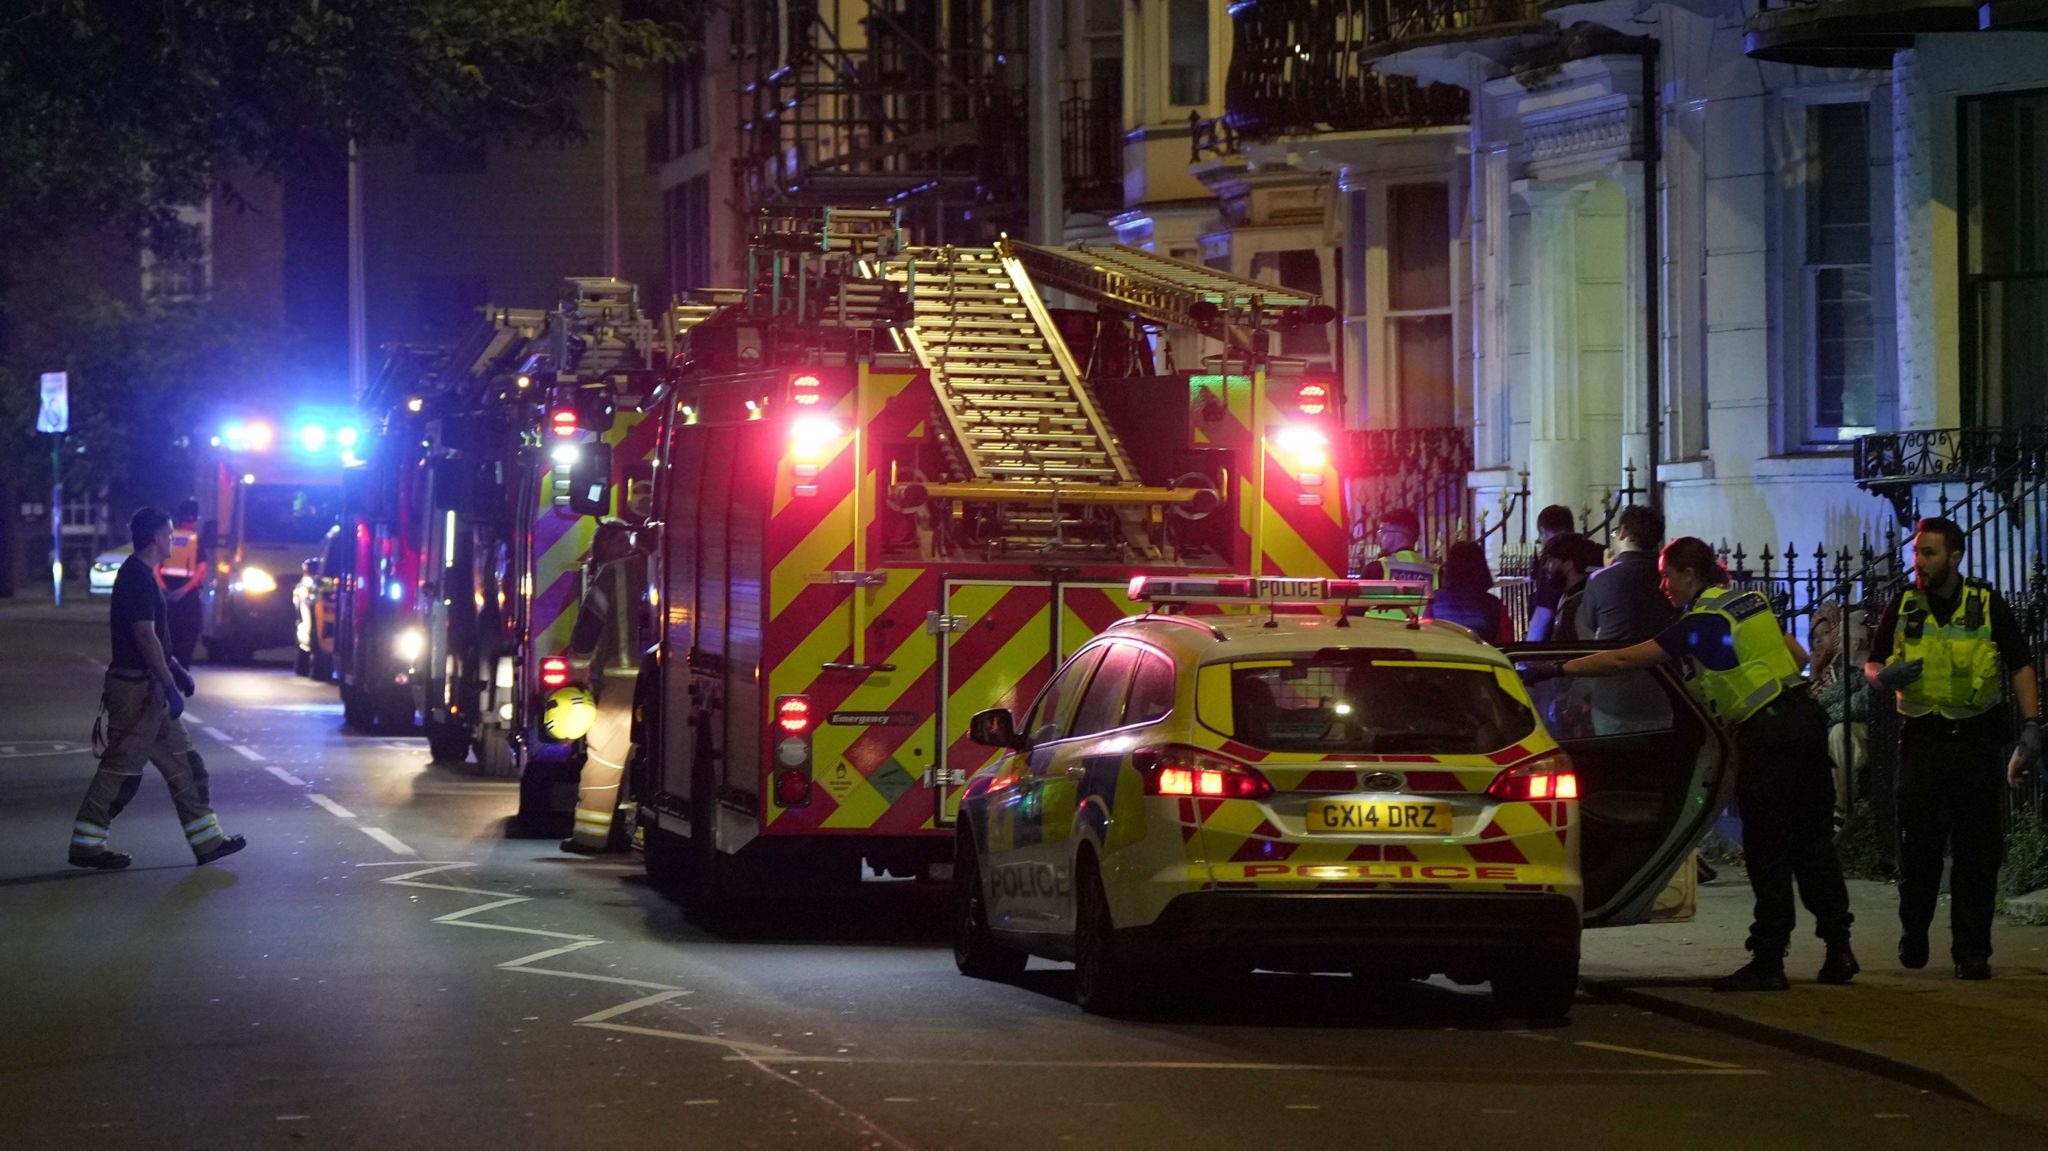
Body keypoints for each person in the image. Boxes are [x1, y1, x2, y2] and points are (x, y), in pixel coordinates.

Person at [1526, 536, 1855, 991]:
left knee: (1768, 850)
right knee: (1814, 842)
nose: (1663, 586)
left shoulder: (1699, 624)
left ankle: (1768, 961)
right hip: (1803, 722)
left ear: (1689, 574)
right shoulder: (1749, 602)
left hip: (1767, 737)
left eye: (1667, 576)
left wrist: (1558, 670)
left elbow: (1623, 659)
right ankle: (1839, 948)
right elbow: (1797, 656)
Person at [1864, 517, 2040, 980]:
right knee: (1919, 852)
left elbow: (2021, 665)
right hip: (1922, 742)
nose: (1918, 562)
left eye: (1929, 553)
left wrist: (2031, 726)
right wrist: (1881, 676)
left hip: (1976, 744)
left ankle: (1972, 951)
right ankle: (1915, 931)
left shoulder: (1985, 603)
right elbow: (1872, 660)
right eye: (1917, 552)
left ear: (1955, 557)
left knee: (1977, 854)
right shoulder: (1902, 604)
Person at [71, 507, 246, 870]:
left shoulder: (144, 576)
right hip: (137, 692)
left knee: (186, 765)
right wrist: (169, 683)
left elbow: (156, 641)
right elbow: (144, 636)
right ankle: (87, 844)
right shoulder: (135, 578)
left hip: (149, 690)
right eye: (168, 534)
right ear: (155, 538)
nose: (173, 539)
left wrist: (176, 670)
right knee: (121, 772)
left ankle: (208, 842)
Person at [563, 519, 650, 854]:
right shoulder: (660, 566)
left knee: (606, 760)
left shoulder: (612, 576)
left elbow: (586, 630)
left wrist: (577, 677)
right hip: (669, 685)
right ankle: (635, 832)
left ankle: (590, 837)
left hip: (623, 684)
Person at [1425, 541, 1515, 644]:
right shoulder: (1494, 605)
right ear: (1481, 568)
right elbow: (1506, 643)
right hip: (1482, 658)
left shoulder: (1434, 601)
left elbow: (1425, 636)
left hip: (1443, 658)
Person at [159, 497, 208, 668]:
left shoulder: (166, 537)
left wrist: (164, 589)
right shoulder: (195, 539)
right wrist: (186, 589)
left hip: (167, 595)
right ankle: (181, 670)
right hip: (187, 595)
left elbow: (155, 566)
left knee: (166, 633)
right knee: (189, 632)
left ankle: (166, 669)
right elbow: (202, 568)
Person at [1525, 504, 1577, 641]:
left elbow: (1544, 612)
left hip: (1558, 643)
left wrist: (1528, 656)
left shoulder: (1552, 557)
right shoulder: (1594, 550)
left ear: (1544, 531)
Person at [1541, 532, 1602, 643]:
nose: (1546, 567)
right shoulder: (1567, 595)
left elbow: (1586, 648)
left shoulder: (1583, 601)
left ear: (1568, 564)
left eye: (1551, 561)